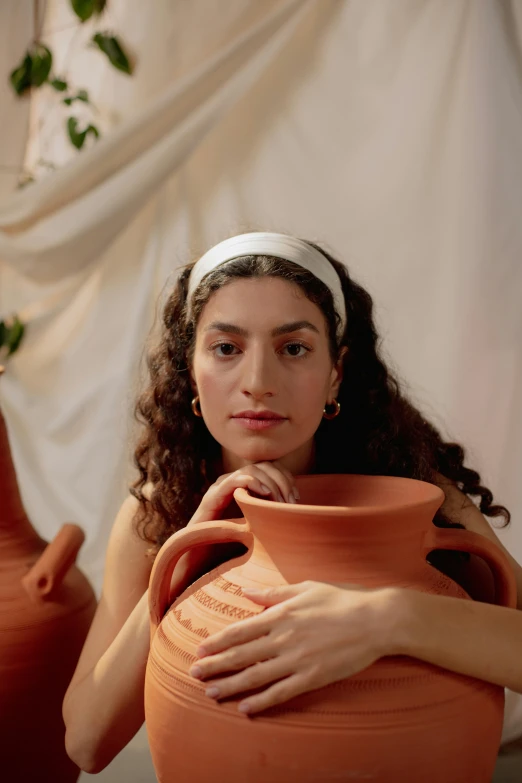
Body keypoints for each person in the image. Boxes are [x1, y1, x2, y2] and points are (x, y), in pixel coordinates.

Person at [63, 232, 522, 773]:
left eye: (294, 348)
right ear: (191, 369)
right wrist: (186, 552)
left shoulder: (422, 494)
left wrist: (393, 618)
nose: (258, 382)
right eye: (227, 348)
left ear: (336, 374)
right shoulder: (157, 509)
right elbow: (87, 742)